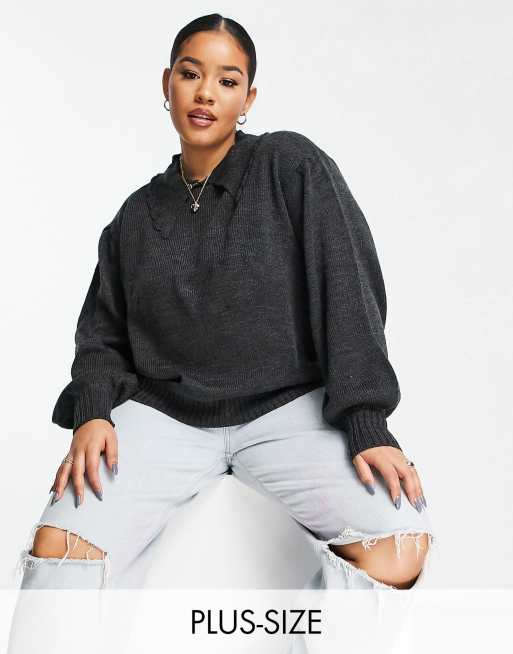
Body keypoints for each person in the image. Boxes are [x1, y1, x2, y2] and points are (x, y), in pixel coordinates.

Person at [9, 12, 436, 653]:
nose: (206, 92)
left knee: (399, 545)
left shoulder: (290, 165)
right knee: (57, 548)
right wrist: (93, 413)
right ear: (167, 84)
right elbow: (102, 331)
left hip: (289, 409)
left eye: (227, 80)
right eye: (191, 74)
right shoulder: (135, 216)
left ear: (248, 98)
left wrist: (366, 420)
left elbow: (347, 287)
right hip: (168, 415)